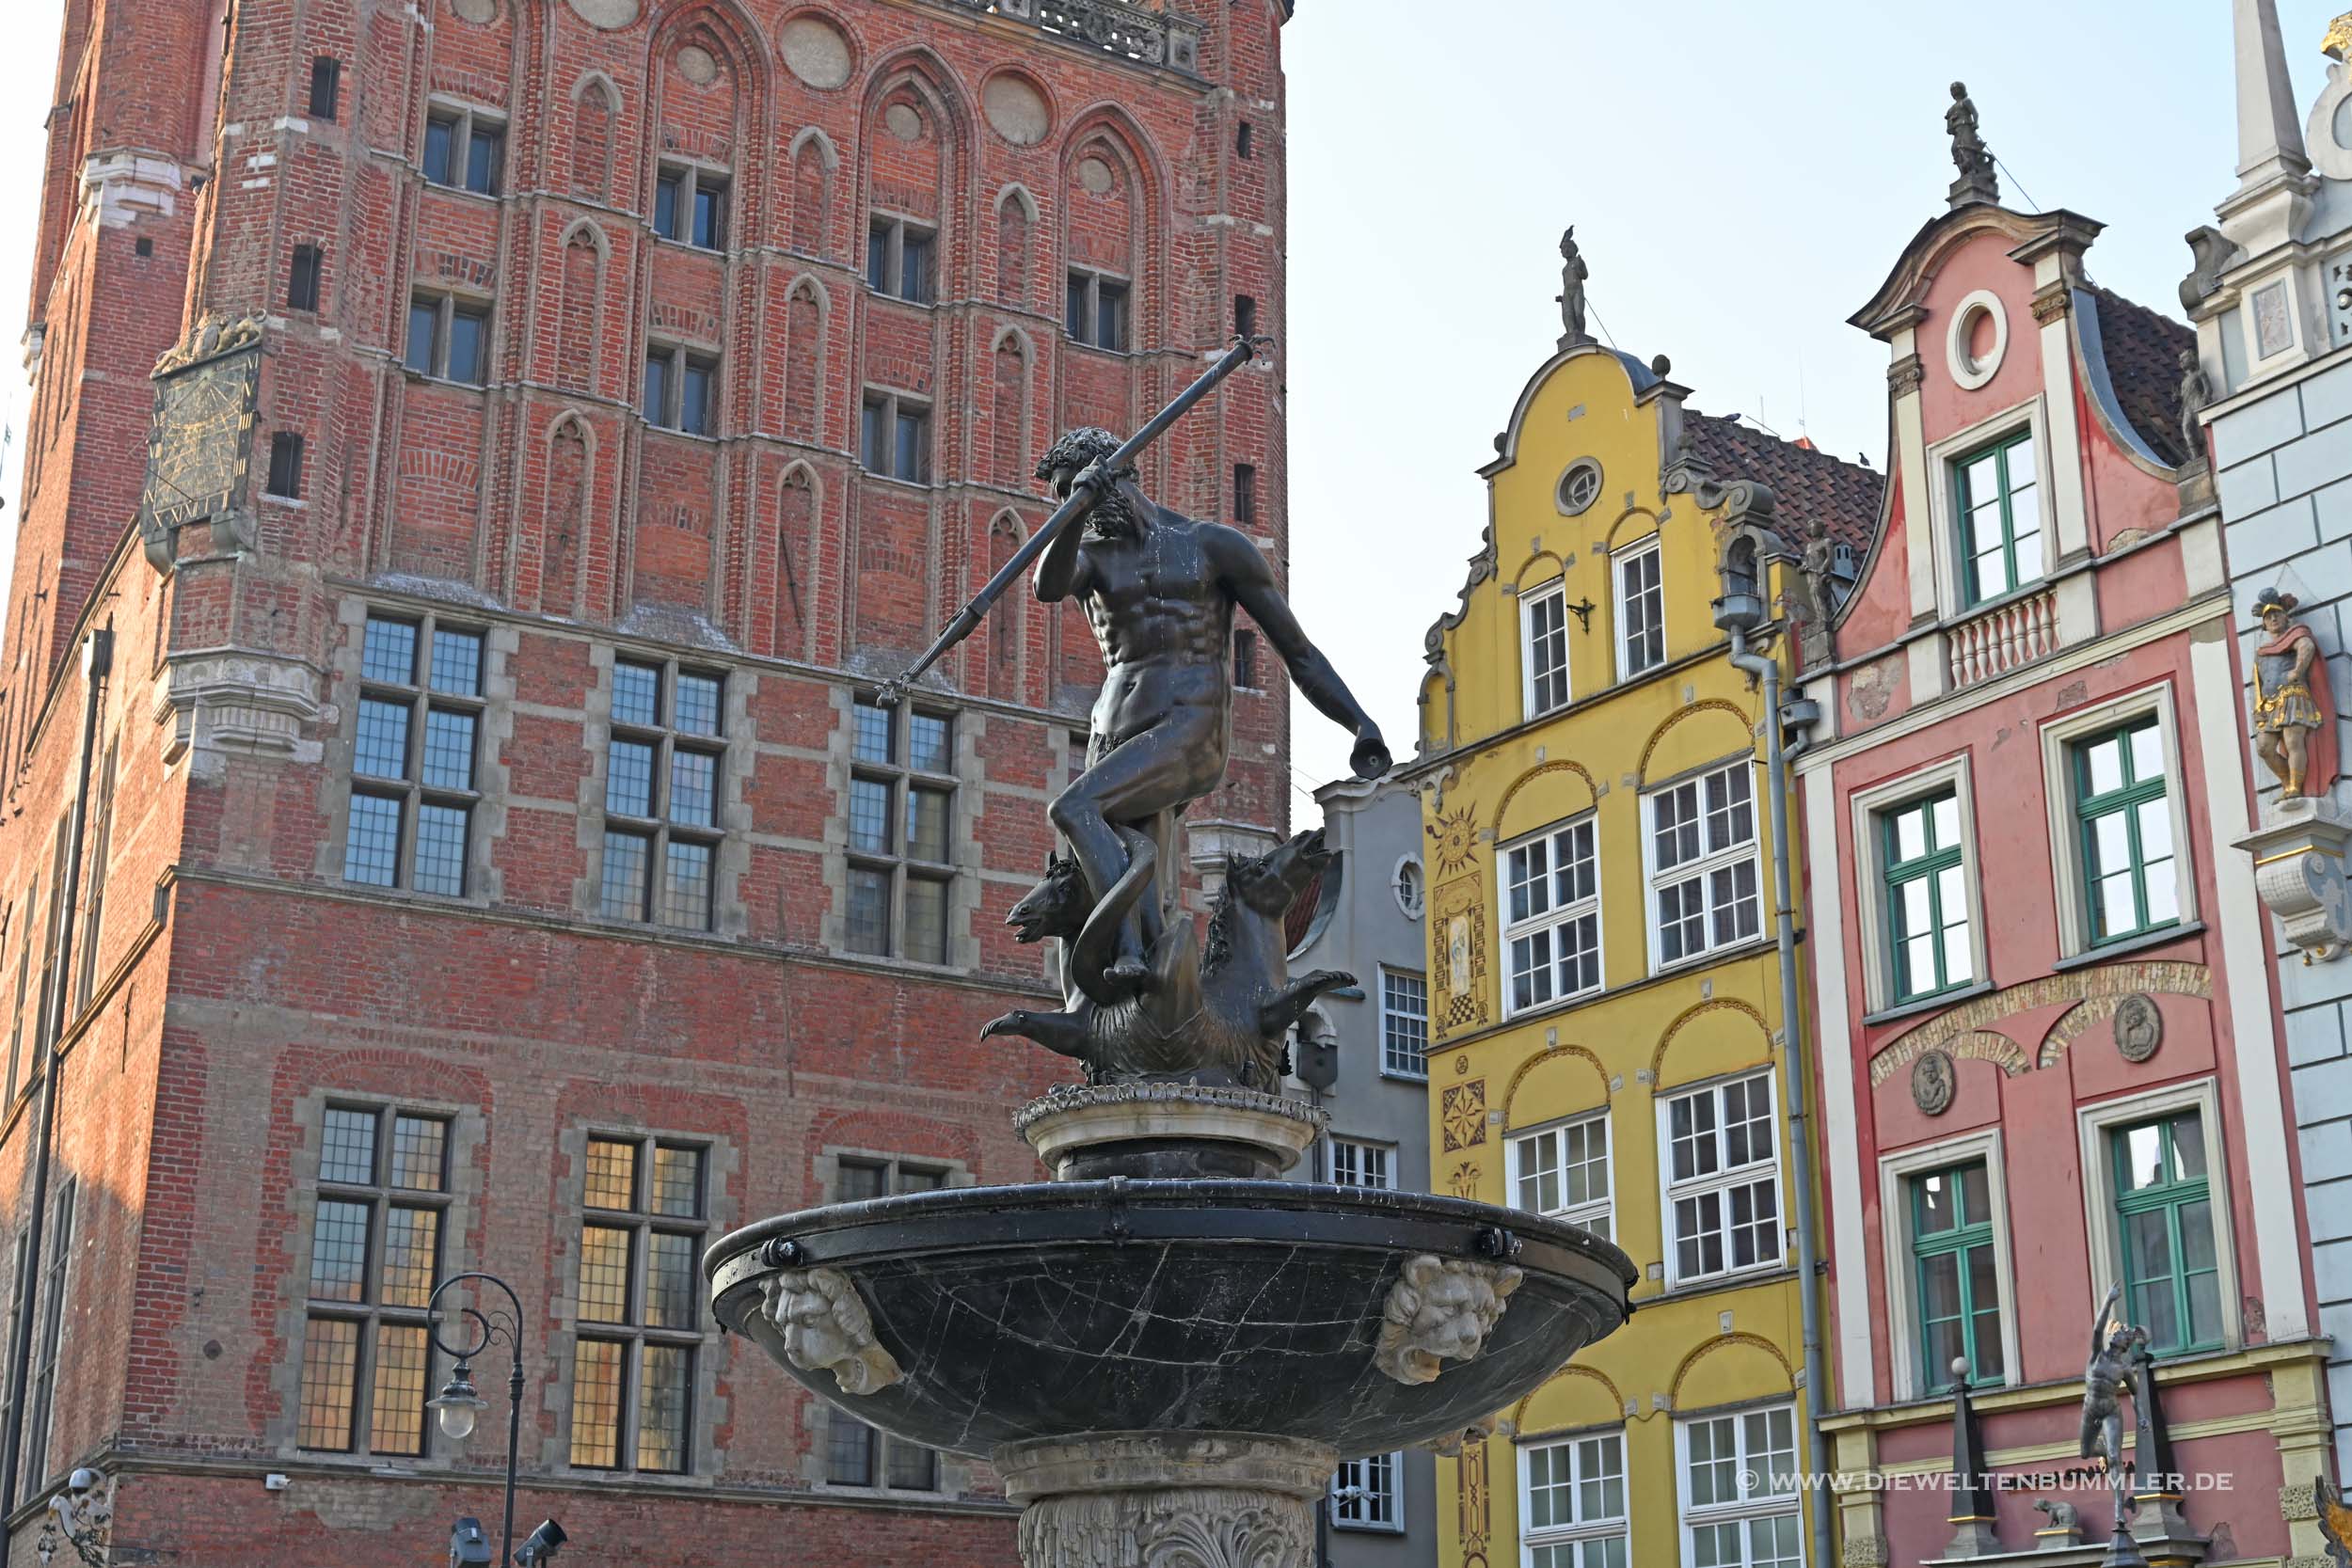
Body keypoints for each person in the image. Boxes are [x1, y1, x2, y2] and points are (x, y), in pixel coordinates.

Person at [1032, 428, 1388, 994]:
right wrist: (1074, 510)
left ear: (1116, 476)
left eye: (1077, 493)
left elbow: (1298, 651)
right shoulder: (1092, 559)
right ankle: (1150, 978)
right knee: (1133, 857)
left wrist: (1359, 723)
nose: (1074, 509)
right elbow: (1046, 586)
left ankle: (1125, 948)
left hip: (1188, 726)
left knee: (1074, 810)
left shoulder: (1211, 546)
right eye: (1063, 499)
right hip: (1112, 733)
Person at [2251, 588, 2337, 800]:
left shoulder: (2296, 634)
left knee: (2292, 741)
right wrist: (2257, 709)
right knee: (2264, 748)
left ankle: (2296, 787)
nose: (2273, 618)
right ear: (2264, 623)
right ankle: (2287, 781)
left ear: (2285, 616)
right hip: (2270, 705)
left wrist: (2298, 671)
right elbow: (2258, 683)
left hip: (2293, 695)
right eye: (2268, 616)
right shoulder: (2261, 652)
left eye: (2277, 614)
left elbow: (2306, 646)